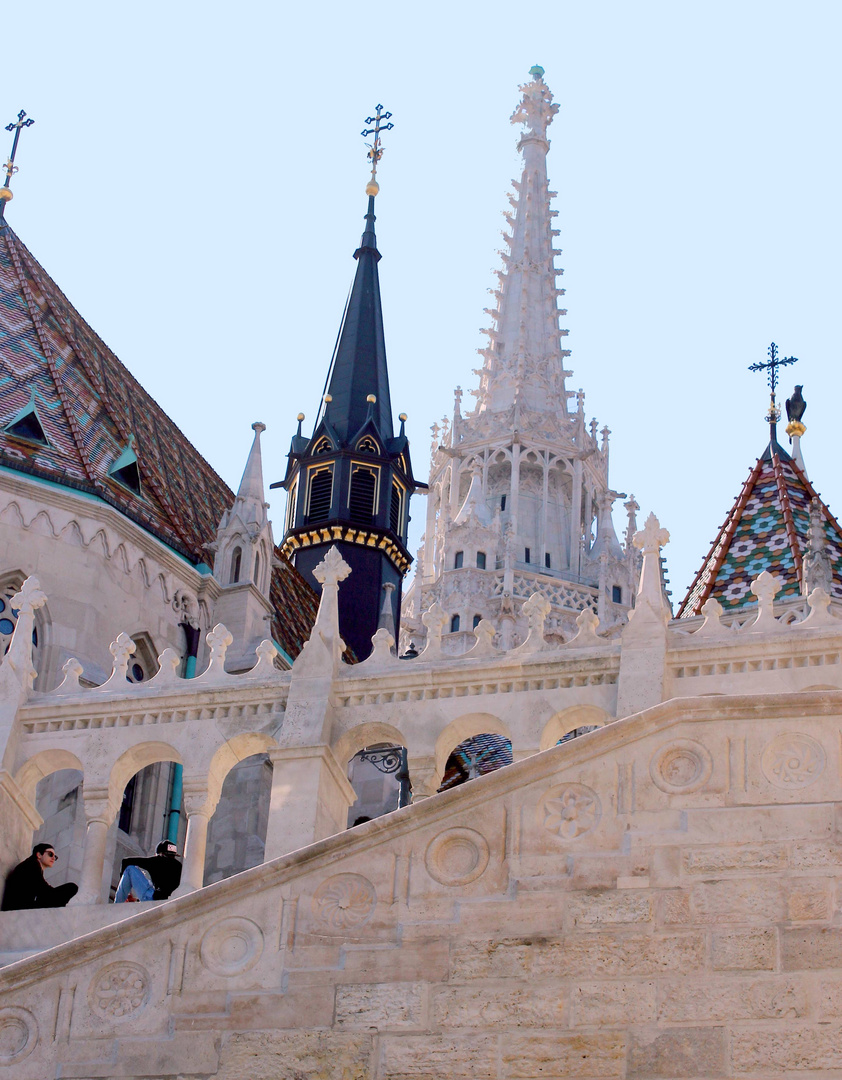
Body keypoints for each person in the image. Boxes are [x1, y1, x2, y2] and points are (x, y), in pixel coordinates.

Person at [1, 843, 78, 910]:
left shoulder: (33, 865)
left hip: (21, 905)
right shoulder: (31, 865)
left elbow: (41, 888)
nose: (53, 858)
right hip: (18, 906)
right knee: (71, 888)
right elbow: (43, 889)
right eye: (50, 854)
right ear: (39, 855)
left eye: (55, 857)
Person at [114, 840, 182, 902]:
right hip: (169, 900)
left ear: (160, 854)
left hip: (152, 898)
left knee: (130, 869)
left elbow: (126, 862)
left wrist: (128, 892)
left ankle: (118, 903)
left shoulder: (157, 861)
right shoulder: (179, 866)